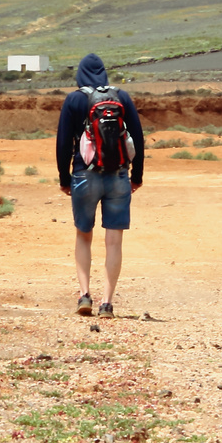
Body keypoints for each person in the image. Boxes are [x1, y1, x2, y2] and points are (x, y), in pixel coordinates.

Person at [55, 53, 145, 318]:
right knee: (114, 241)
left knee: (84, 235)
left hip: (84, 175)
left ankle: (84, 296)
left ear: (80, 73)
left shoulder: (74, 99)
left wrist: (64, 178)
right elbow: (138, 139)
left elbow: (63, 142)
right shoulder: (122, 97)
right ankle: (107, 303)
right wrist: (136, 177)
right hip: (118, 176)